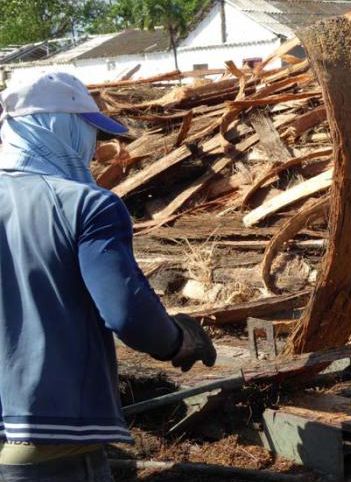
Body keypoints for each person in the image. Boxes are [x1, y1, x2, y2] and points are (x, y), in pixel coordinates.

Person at [0, 72, 216, 480]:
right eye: (88, 133)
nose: (94, 149)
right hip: (52, 446)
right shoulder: (86, 206)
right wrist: (177, 341)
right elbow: (126, 313)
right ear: (61, 128)